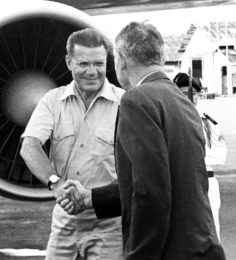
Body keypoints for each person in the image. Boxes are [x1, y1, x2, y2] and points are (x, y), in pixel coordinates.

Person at [58, 22, 226, 259]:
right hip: (201, 249)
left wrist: (139, 255)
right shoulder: (182, 102)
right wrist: (91, 198)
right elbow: (160, 179)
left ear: (122, 61)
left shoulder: (137, 100)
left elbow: (150, 190)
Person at [20, 28, 124, 260]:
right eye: (83, 64)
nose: (92, 72)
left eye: (98, 64)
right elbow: (30, 146)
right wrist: (56, 183)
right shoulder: (52, 101)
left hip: (109, 224)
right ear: (69, 62)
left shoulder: (124, 104)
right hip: (65, 219)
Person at [173, 72, 228, 241]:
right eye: (183, 94)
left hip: (207, 181)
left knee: (211, 233)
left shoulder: (207, 123)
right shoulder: (171, 121)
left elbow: (220, 156)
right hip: (181, 184)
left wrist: (191, 158)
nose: (190, 98)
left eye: (194, 94)